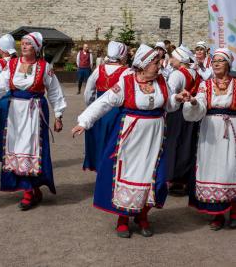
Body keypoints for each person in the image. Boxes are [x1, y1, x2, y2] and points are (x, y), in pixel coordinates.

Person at [72, 44, 182, 238]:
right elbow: (104, 102)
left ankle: (142, 215)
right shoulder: (126, 82)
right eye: (156, 63)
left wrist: (178, 99)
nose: (160, 65)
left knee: (153, 177)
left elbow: (168, 104)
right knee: (128, 175)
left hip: (155, 139)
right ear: (143, 65)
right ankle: (122, 219)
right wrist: (84, 121)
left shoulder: (162, 82)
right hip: (130, 138)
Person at [0, 32, 66, 210]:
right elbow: (2, 86)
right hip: (15, 112)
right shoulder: (11, 64)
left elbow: (55, 92)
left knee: (31, 149)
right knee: (16, 148)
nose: (23, 46)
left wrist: (59, 115)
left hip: (35, 111)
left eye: (28, 44)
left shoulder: (44, 67)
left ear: (36, 48)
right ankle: (32, 188)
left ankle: (28, 192)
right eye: (22, 43)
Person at [183, 48, 236, 230]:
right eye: (214, 61)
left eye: (221, 61)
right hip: (211, 131)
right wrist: (194, 103)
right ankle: (218, 214)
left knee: (232, 168)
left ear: (228, 64)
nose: (216, 64)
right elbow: (199, 106)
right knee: (214, 169)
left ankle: (234, 211)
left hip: (233, 130)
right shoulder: (205, 85)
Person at [82, 41, 128, 171]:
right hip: (117, 112)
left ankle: (99, 167)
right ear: (122, 56)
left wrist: (92, 107)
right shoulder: (126, 72)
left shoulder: (98, 70)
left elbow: (88, 92)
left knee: (99, 141)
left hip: (98, 111)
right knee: (113, 143)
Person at [165, 45, 201, 194]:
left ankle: (173, 178)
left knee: (174, 142)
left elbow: (170, 94)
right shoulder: (196, 73)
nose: (170, 60)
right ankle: (187, 179)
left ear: (180, 59)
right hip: (192, 112)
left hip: (178, 112)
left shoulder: (177, 74)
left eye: (173, 57)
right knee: (189, 143)